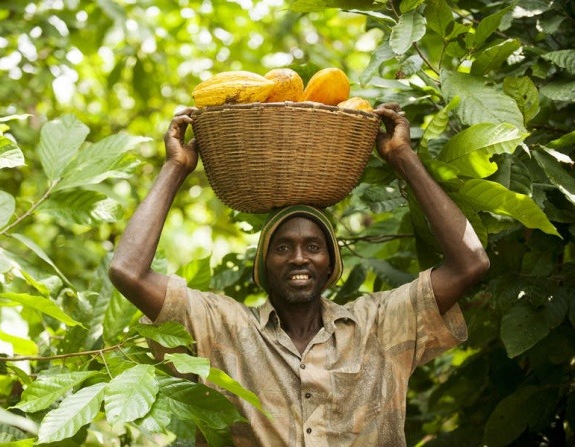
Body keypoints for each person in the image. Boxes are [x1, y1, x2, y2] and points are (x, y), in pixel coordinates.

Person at [108, 103, 490, 446]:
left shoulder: (379, 325)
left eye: (313, 247)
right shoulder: (221, 327)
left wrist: (402, 156)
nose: (298, 258)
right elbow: (128, 271)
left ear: (330, 265)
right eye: (282, 247)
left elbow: (470, 263)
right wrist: (176, 167)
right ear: (263, 266)